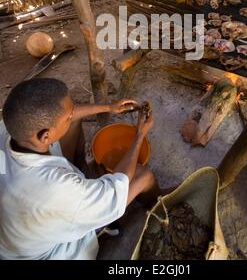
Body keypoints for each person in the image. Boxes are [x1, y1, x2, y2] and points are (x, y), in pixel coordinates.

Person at [0, 78, 159, 260]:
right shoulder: (55, 186)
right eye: (67, 116)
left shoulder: (11, 127)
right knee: (143, 176)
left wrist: (109, 107)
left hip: (18, 231)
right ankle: (157, 203)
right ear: (45, 136)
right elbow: (116, 188)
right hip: (46, 253)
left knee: (74, 124)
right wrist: (139, 135)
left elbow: (69, 114)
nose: (71, 114)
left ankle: (81, 170)